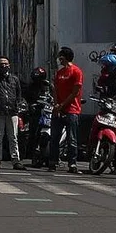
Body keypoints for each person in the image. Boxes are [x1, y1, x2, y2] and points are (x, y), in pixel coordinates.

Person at [0, 56, 26, 170]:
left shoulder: (14, 79)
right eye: (1, 64)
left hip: (12, 111)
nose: (4, 66)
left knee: (13, 136)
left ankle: (15, 160)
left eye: (6, 64)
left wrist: (18, 108)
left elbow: (18, 95)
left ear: (9, 65)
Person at [48, 46, 83, 174]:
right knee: (55, 137)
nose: (59, 59)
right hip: (59, 108)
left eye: (61, 57)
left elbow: (75, 92)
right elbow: (55, 90)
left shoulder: (76, 71)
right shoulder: (60, 72)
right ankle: (52, 162)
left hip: (72, 109)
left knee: (72, 138)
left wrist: (62, 105)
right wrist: (56, 105)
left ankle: (72, 163)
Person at [24, 66, 54, 167]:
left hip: (48, 113)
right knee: (34, 133)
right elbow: (26, 99)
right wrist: (31, 105)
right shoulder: (30, 87)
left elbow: (55, 96)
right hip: (36, 113)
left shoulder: (49, 86)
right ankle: (34, 154)